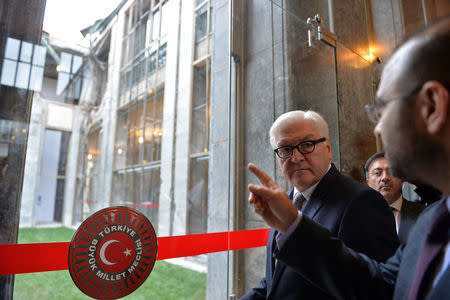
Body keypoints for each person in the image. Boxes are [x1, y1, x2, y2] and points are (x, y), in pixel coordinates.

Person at [246, 15, 450, 300]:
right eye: (285, 150)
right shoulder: (434, 219)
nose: (377, 127)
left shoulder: (363, 202)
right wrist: (292, 224)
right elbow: (378, 288)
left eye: (382, 109)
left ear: (432, 106)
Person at [241, 110, 399, 300]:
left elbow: (375, 289)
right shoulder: (285, 200)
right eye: (285, 149)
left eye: (307, 145)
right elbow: (275, 281)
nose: (296, 157)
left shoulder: (363, 202)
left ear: (328, 149)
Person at [364, 152, 425, 244]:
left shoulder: (424, 214)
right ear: (368, 182)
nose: (385, 178)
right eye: (377, 173)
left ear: (402, 179)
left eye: (391, 172)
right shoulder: (359, 215)